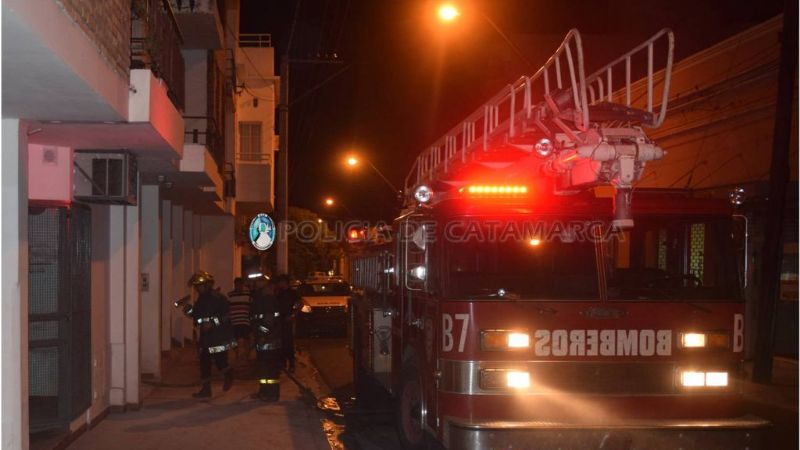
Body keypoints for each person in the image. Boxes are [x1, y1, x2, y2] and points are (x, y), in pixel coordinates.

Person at [182, 270, 236, 398]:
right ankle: (206, 390)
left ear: (207, 284)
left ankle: (229, 375)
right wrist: (188, 310)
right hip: (206, 338)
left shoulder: (218, 298)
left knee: (220, 361)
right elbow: (198, 316)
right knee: (204, 363)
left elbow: (227, 316)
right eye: (196, 286)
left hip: (218, 337)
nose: (197, 288)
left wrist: (212, 323)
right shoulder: (202, 299)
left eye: (199, 286)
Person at [250, 275, 283, 401]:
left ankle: (272, 394)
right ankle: (264, 392)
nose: (254, 284)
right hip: (263, 339)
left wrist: (262, 335)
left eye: (257, 281)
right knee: (264, 368)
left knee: (271, 369)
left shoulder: (267, 297)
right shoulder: (260, 296)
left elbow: (269, 319)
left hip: (270, 339)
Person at [274, 274, 301, 371]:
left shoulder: (293, 293)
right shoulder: (278, 293)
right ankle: (283, 363)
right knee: (281, 342)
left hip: (288, 320)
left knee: (289, 342)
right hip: (280, 320)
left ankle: (292, 363)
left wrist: (293, 315)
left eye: (281, 282)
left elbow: (298, 304)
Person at [227, 277, 252, 364]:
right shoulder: (230, 295)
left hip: (245, 321)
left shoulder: (248, 294)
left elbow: (251, 306)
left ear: (242, 285)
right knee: (234, 340)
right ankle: (238, 354)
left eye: (240, 285)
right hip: (234, 321)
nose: (238, 286)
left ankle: (246, 356)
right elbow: (228, 308)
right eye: (236, 285)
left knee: (245, 339)